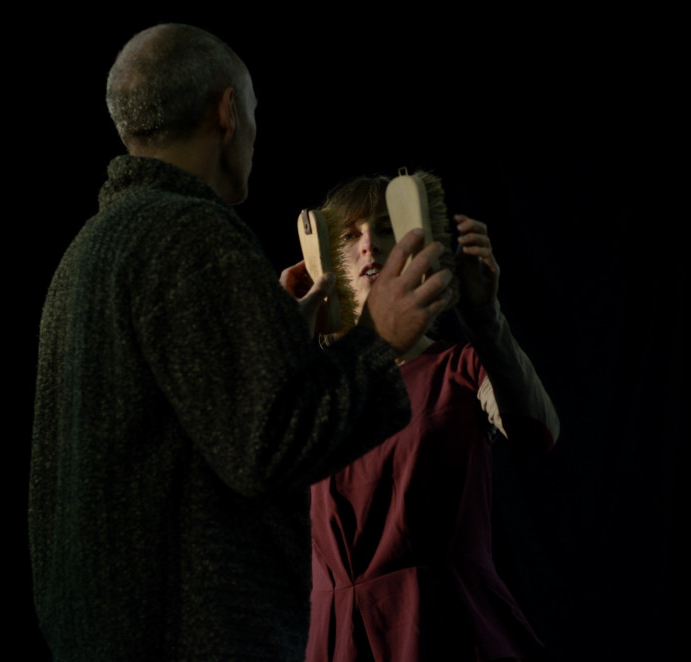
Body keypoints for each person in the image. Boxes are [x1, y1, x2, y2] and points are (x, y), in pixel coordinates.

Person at [28, 25, 454, 661]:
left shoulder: (86, 254)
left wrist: (275, 340)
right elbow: (268, 448)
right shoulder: (193, 234)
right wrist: (376, 338)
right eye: (254, 111)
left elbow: (184, 427)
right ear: (228, 111)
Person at [303, 173, 561, 662]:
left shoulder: (460, 367)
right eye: (351, 234)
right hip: (337, 638)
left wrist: (485, 315)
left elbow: (537, 430)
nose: (368, 245)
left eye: (384, 228)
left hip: (443, 625)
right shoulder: (316, 394)